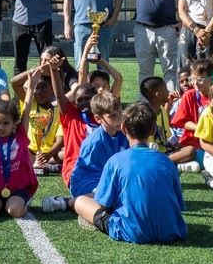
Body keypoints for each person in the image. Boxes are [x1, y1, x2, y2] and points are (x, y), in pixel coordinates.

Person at [77, 102, 188, 245]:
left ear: (123, 128)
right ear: (153, 130)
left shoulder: (115, 161)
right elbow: (179, 204)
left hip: (132, 232)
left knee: (81, 201)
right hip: (172, 231)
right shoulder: (166, 161)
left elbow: (103, 203)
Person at [67, 92, 130, 227]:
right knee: (116, 198)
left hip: (107, 180)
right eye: (112, 116)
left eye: (120, 113)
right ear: (98, 118)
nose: (119, 118)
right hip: (87, 182)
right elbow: (91, 172)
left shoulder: (123, 133)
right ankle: (70, 202)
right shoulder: (94, 142)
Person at [0, 94, 36, 219]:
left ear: (14, 124)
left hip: (17, 188)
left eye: (6, 123)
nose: (0, 127)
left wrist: (30, 88)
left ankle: (24, 203)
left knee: (14, 211)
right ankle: (4, 203)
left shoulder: (20, 135)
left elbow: (26, 111)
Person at [12, 51, 67, 177]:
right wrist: (39, 68)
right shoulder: (30, 102)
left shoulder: (58, 108)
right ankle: (45, 166)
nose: (39, 92)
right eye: (36, 88)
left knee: (66, 152)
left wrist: (49, 153)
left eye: (44, 88)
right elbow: (14, 83)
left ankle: (42, 164)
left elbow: (61, 138)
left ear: (53, 90)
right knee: (17, 149)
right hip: (29, 151)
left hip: (52, 154)